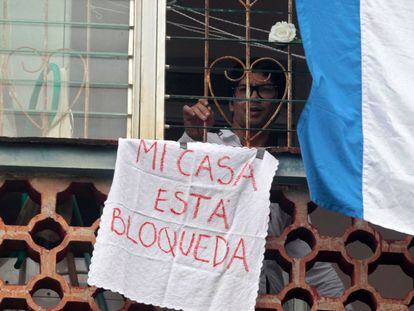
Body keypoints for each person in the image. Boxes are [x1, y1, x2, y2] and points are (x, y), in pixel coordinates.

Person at [178, 60, 346, 298]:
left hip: (264, 295)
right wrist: (193, 137)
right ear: (231, 103)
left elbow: (301, 247)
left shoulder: (285, 165)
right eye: (244, 89)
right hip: (211, 289)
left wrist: (340, 300)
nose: (253, 98)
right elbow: (178, 176)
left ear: (277, 104)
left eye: (264, 90)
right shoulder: (211, 143)